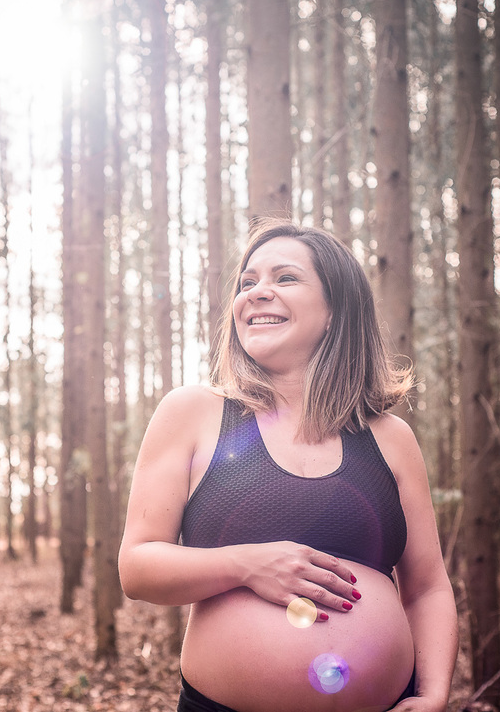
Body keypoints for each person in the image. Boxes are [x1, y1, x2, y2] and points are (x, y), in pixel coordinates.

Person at [119, 220, 458, 712]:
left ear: (335, 310)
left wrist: (433, 694)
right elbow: (137, 567)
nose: (256, 292)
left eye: (285, 277)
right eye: (247, 282)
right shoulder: (191, 412)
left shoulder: (391, 438)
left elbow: (427, 588)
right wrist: (246, 565)